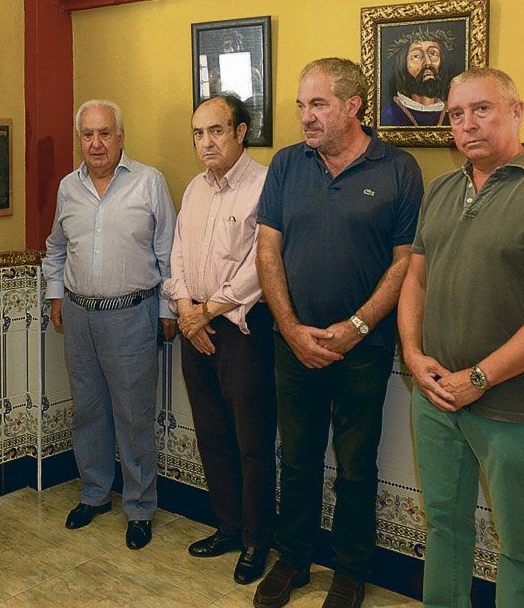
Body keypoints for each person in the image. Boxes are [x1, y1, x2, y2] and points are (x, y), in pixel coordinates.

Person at [398, 68, 524, 607]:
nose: (467, 124)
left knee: (521, 546)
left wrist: (478, 379)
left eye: (481, 109)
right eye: (456, 115)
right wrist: (413, 356)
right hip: (436, 399)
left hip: (513, 408)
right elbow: (415, 277)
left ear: (516, 111)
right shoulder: (440, 189)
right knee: (443, 527)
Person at [254, 58, 423, 608]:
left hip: (363, 351)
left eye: (318, 104)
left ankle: (350, 571)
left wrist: (356, 327)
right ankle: (294, 559)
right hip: (292, 345)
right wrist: (289, 327)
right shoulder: (285, 165)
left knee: (355, 467)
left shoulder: (398, 169)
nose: (306, 116)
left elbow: (406, 264)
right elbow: (267, 250)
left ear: (353, 107)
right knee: (297, 459)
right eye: (301, 105)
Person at [43, 99, 178, 551]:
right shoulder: (68, 187)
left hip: (132, 314)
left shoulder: (148, 182)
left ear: (121, 137)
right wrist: (56, 294)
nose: (96, 143)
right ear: (79, 139)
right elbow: (56, 248)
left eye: (105, 134)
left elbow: (168, 252)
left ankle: (139, 507)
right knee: (89, 411)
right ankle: (95, 493)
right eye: (87, 134)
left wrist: (168, 311)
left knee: (134, 416)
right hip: (79, 317)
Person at [162, 94, 276, 584]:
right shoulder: (194, 189)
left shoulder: (265, 185)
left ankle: (256, 541)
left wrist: (207, 311)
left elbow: (261, 266)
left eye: (215, 131)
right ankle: (227, 527)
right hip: (196, 329)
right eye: (197, 133)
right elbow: (179, 253)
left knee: (252, 443)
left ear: (241, 132)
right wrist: (187, 309)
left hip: (241, 334)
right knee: (212, 436)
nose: (205, 142)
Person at [380, 28, 454, 127]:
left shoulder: (453, 113)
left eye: (433, 54)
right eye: (417, 56)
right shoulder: (390, 115)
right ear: (403, 65)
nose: (428, 63)